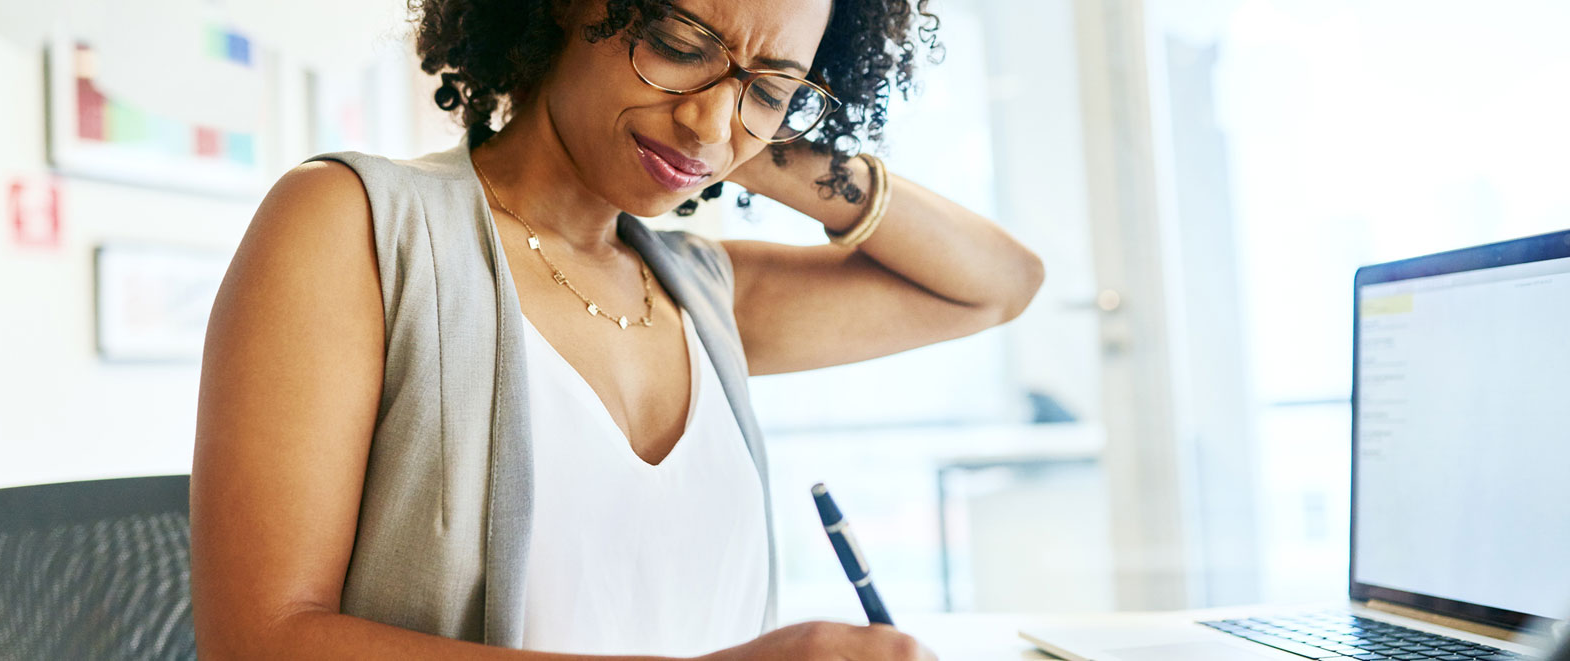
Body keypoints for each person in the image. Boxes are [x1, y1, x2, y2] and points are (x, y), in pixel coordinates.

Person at [189, 0, 1045, 658]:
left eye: (774, 91)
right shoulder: (357, 227)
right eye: (678, 47)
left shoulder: (705, 293)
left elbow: (998, 286)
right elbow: (261, 641)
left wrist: (765, 146)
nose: (708, 122)